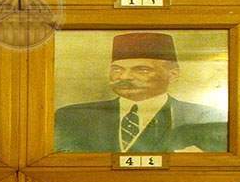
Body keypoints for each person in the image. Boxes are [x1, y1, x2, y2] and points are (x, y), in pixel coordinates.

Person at [54, 32, 226, 153]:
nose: (125, 77)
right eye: (117, 69)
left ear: (173, 74)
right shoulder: (72, 117)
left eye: (142, 70)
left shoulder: (207, 118)